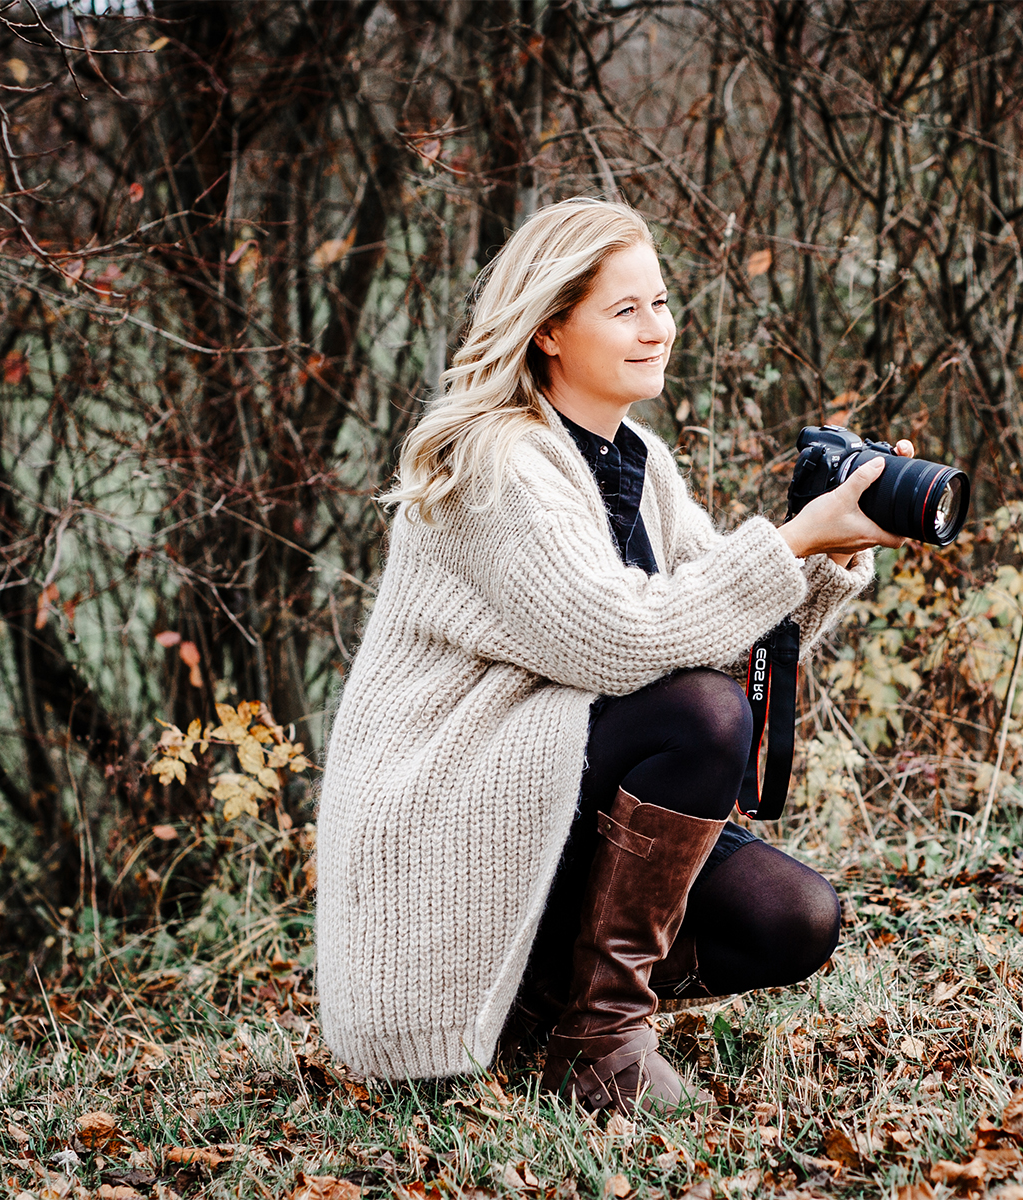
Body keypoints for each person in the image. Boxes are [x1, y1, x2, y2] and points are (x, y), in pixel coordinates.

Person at [315, 198, 909, 1116]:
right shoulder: (495, 463)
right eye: (624, 310)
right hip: (453, 805)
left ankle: (543, 1006)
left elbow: (722, 624)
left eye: (662, 304)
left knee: (793, 918)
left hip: (550, 797)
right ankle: (601, 1046)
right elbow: (621, 639)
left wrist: (831, 549)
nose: (657, 330)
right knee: (701, 712)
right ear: (548, 328)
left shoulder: (638, 460)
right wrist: (787, 546)